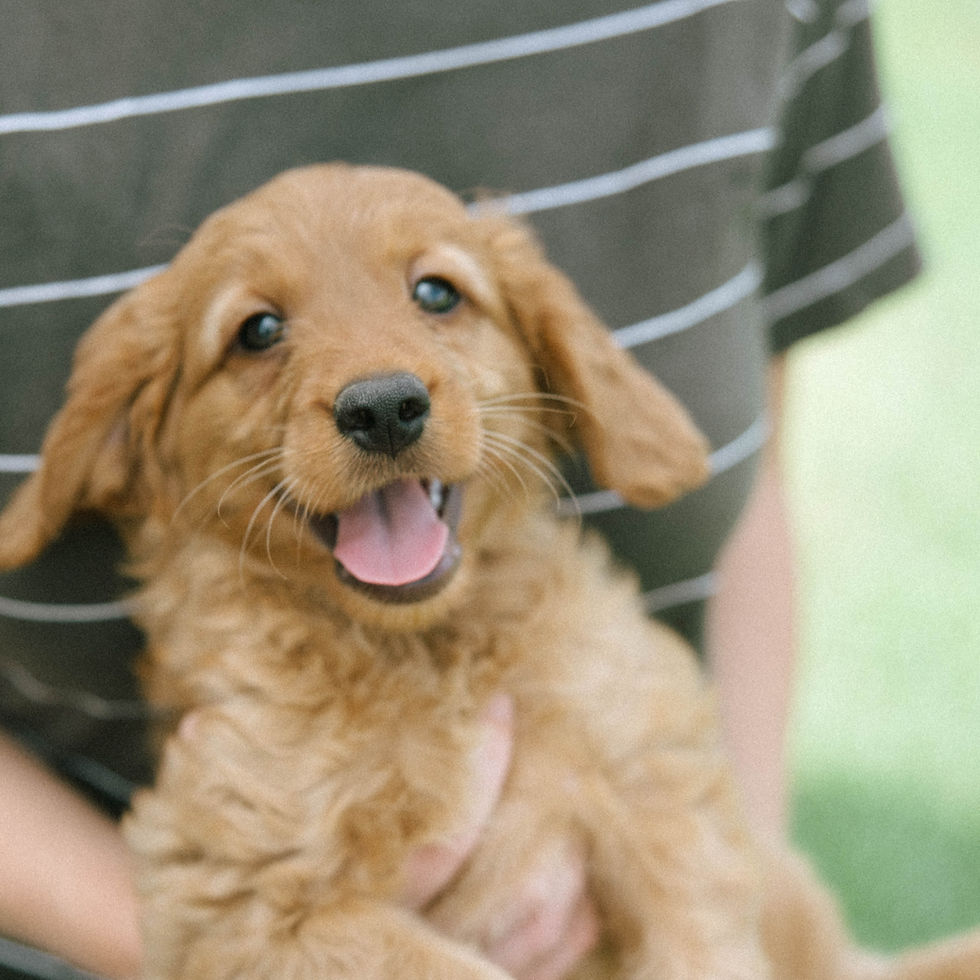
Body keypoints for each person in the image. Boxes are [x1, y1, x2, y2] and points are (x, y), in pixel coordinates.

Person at [0, 1, 919, 977]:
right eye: (256, 332)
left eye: (438, 293)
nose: (379, 385)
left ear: (544, 350)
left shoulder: (580, 646)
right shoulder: (257, 733)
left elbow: (701, 844)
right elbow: (244, 919)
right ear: (134, 432)